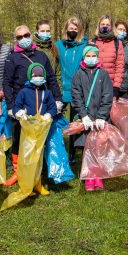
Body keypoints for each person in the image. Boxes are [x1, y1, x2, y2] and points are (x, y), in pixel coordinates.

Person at [2, 25, 62, 186]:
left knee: (38, 140)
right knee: (18, 140)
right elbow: (6, 82)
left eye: (26, 35)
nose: (23, 39)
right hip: (20, 106)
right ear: (16, 39)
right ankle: (17, 172)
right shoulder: (12, 57)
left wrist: (57, 99)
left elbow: (51, 78)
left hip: (40, 104)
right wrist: (10, 106)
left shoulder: (41, 56)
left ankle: (38, 172)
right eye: (19, 37)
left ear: (31, 35)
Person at [71, 45, 113, 191]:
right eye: (87, 56)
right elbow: (76, 96)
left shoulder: (103, 74)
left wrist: (102, 116)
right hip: (86, 120)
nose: (91, 58)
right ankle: (89, 176)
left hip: (100, 119)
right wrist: (83, 116)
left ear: (97, 56)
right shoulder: (78, 75)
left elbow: (107, 95)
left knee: (99, 148)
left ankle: (98, 176)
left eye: (93, 55)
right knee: (86, 149)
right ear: (84, 57)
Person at [13, 62, 57, 196]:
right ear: (30, 76)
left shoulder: (47, 92)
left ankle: (37, 183)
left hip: (41, 130)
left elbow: (52, 107)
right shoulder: (24, 92)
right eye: (35, 75)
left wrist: (49, 115)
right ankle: (25, 185)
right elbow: (16, 106)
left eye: (40, 75)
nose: (38, 77)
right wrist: (20, 113)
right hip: (27, 130)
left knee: (38, 158)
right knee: (26, 157)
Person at [55, 17, 88, 164]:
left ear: (79, 30)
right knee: (57, 121)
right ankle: (57, 151)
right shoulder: (58, 45)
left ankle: (72, 154)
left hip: (77, 90)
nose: (73, 31)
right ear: (65, 29)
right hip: (61, 89)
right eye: (70, 28)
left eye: (76, 28)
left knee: (75, 122)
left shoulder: (84, 45)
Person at [91, 15, 125, 97]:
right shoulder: (92, 42)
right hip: (93, 85)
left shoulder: (117, 43)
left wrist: (116, 86)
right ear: (99, 26)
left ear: (111, 26)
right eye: (103, 24)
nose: (105, 26)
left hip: (110, 86)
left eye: (107, 24)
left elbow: (120, 66)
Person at [114, 20, 128, 98]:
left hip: (125, 88)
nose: (122, 32)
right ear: (114, 30)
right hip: (110, 86)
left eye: (124, 30)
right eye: (120, 29)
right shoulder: (109, 45)